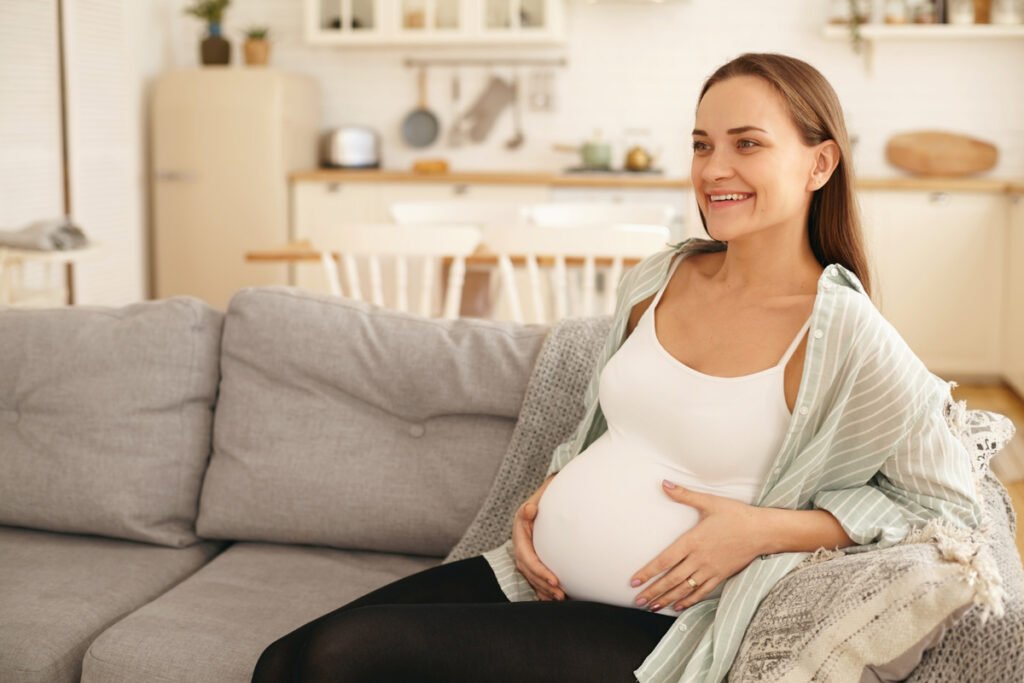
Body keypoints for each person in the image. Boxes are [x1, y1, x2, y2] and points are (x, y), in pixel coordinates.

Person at [250, 53, 981, 683]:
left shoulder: (842, 330)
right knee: (281, 659)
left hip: (657, 633)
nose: (714, 169)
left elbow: (950, 512)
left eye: (747, 143)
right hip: (534, 578)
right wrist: (551, 485)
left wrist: (763, 529)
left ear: (819, 163)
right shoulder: (662, 277)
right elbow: (614, 428)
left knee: (333, 659)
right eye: (701, 144)